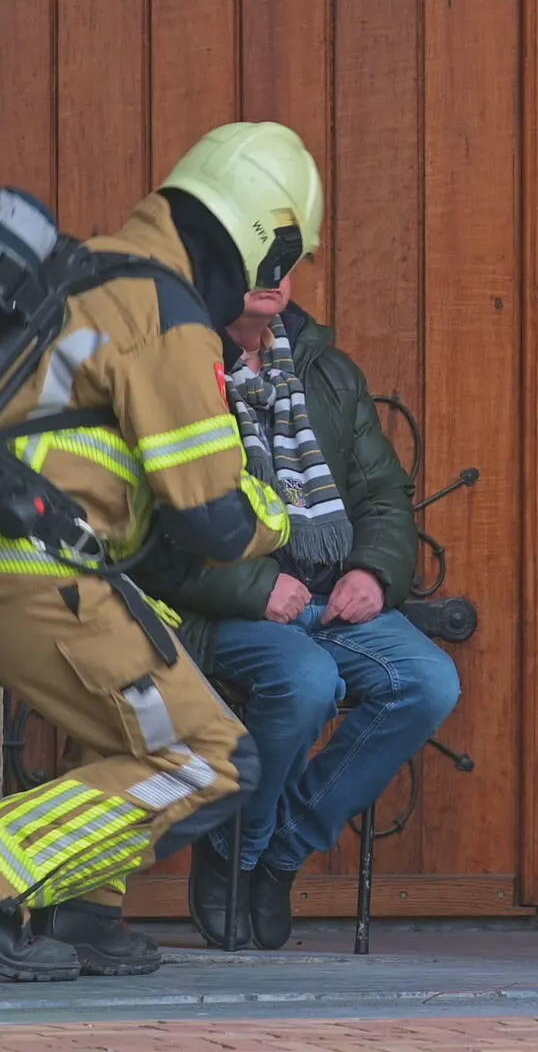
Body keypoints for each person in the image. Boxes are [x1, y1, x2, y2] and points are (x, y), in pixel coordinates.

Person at [0, 121, 320, 980]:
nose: (280, 283)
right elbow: (211, 517)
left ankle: (84, 912)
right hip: (39, 568)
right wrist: (278, 514)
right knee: (207, 755)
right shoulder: (167, 309)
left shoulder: (87, 272)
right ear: (264, 236)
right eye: (282, 260)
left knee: (108, 728)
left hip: (44, 558)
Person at [133, 275, 459, 952]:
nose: (271, 277)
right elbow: (154, 536)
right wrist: (257, 590)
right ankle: (235, 846)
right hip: (225, 608)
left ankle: (280, 852)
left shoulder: (327, 370)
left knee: (429, 682)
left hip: (331, 598)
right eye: (254, 260)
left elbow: (382, 496)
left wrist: (374, 571)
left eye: (283, 262)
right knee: (307, 681)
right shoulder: (178, 373)